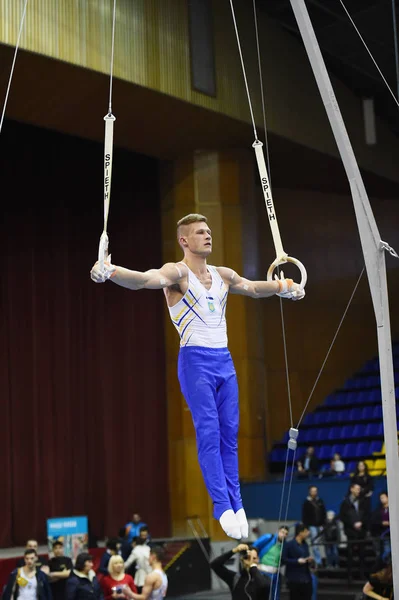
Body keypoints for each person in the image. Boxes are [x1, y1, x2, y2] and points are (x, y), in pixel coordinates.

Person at [90, 213, 304, 539]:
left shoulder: (223, 275)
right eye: (200, 232)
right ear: (184, 240)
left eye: (208, 231)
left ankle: (237, 502)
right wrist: (111, 271)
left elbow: (254, 288)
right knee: (209, 432)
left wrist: (284, 287)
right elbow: (144, 280)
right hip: (196, 362)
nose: (207, 235)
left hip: (225, 362)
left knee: (230, 435)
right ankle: (222, 506)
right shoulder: (177, 273)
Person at [252, 526, 289, 599]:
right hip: (263, 571)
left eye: (286, 534)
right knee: (262, 594)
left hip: (275, 573)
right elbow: (254, 547)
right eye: (282, 532)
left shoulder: (284, 545)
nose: (283, 535)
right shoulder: (268, 537)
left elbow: (284, 559)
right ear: (278, 531)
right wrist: (254, 562)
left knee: (275, 595)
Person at [339, 483, 367, 579]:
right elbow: (343, 517)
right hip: (351, 532)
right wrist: (353, 524)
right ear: (351, 489)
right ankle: (349, 575)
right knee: (350, 554)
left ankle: (362, 574)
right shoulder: (345, 502)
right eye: (357, 489)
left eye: (359, 489)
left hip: (361, 532)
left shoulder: (363, 501)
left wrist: (361, 523)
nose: (359, 490)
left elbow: (367, 514)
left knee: (362, 554)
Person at [282, 523, 314, 600]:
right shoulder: (289, 545)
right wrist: (296, 561)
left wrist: (309, 560)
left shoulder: (305, 544)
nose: (308, 533)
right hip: (294, 579)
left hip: (306, 578)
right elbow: (283, 559)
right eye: (306, 531)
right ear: (300, 532)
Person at [302, 486, 326, 567]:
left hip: (321, 525)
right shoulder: (306, 502)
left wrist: (324, 523)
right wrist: (306, 527)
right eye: (313, 491)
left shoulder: (320, 501)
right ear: (309, 492)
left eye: (316, 491)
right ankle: (319, 562)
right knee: (315, 544)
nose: (314, 492)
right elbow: (304, 516)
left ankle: (325, 560)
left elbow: (324, 513)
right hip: (312, 526)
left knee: (323, 543)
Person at [371, 491, 390, 558]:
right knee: (386, 551)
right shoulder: (379, 510)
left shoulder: (393, 508)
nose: (382, 499)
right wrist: (382, 523)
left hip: (392, 532)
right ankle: (385, 565)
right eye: (381, 498)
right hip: (384, 533)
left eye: (383, 497)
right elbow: (374, 521)